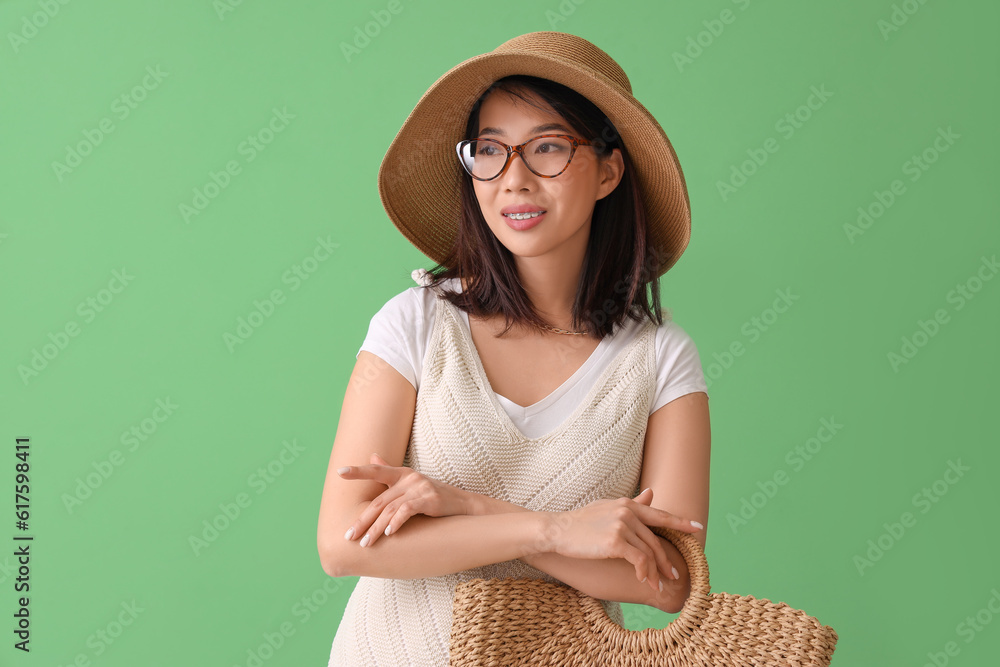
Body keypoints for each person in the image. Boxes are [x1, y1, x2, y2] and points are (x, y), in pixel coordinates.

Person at [316, 31, 711, 666]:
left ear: (609, 170)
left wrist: (468, 507)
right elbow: (343, 543)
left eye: (548, 148)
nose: (514, 180)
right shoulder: (414, 324)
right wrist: (551, 530)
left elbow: (669, 582)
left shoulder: (660, 358)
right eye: (491, 152)